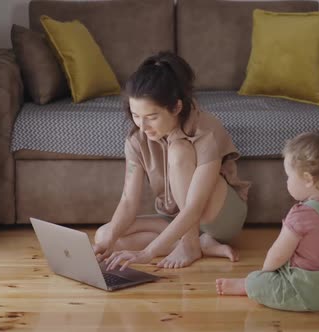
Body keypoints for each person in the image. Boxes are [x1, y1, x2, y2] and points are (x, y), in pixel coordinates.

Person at [93, 51, 251, 270]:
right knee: (105, 235)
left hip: (218, 215)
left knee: (178, 151)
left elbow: (195, 206)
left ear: (176, 107)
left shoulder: (206, 130)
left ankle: (190, 244)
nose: (142, 126)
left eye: (152, 117)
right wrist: (106, 242)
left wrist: (149, 253)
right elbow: (128, 201)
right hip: (178, 217)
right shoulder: (136, 140)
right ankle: (200, 243)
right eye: (136, 115)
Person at [215, 130, 319, 312]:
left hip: (305, 292)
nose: (287, 182)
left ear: (307, 179)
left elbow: (278, 254)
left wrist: (265, 273)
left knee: (260, 281)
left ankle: (246, 286)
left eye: (289, 176)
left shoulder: (301, 214)